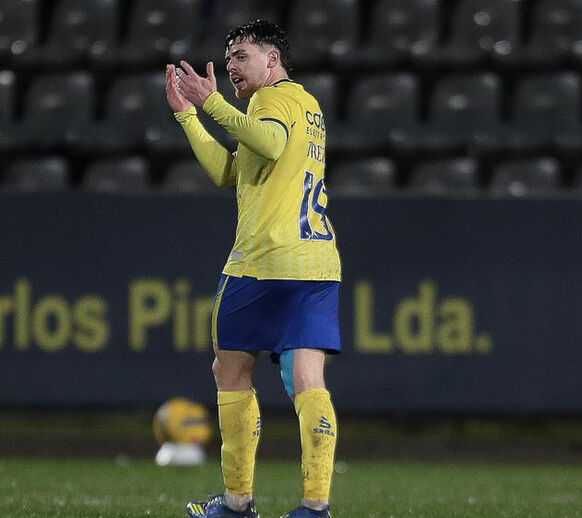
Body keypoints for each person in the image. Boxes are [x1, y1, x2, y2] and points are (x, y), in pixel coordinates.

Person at [166, 19, 340, 518]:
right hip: (318, 263)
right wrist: (188, 119)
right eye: (228, 59)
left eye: (241, 55)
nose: (231, 67)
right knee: (310, 379)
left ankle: (238, 504)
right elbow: (229, 172)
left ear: (273, 58)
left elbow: (267, 144)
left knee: (231, 371)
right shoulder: (307, 107)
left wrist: (211, 103)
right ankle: (315, 507)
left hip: (262, 262)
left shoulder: (269, 102)